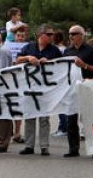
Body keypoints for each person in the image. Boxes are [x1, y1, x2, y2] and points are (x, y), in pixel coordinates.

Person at [16, 24, 63, 156]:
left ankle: (44, 146)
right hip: (29, 87)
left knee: (44, 118)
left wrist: (49, 62)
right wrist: (28, 58)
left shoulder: (54, 50)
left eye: (52, 34)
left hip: (45, 89)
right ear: (40, 35)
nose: (52, 37)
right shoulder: (29, 47)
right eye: (49, 34)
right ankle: (29, 146)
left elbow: (61, 67)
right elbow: (17, 60)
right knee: (29, 116)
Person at [61, 24, 93, 158]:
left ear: (81, 35)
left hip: (88, 87)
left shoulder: (91, 50)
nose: (71, 36)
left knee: (91, 119)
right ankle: (73, 149)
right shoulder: (67, 51)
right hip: (72, 89)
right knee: (71, 120)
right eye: (70, 34)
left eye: (74, 33)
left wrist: (84, 65)